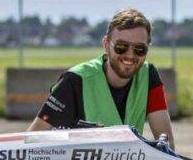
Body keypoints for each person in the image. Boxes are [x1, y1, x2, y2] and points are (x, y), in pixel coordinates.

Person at [28, 8, 175, 148]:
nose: (130, 55)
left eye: (139, 49)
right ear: (106, 45)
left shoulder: (148, 76)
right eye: (121, 47)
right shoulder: (74, 81)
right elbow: (33, 139)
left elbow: (166, 145)